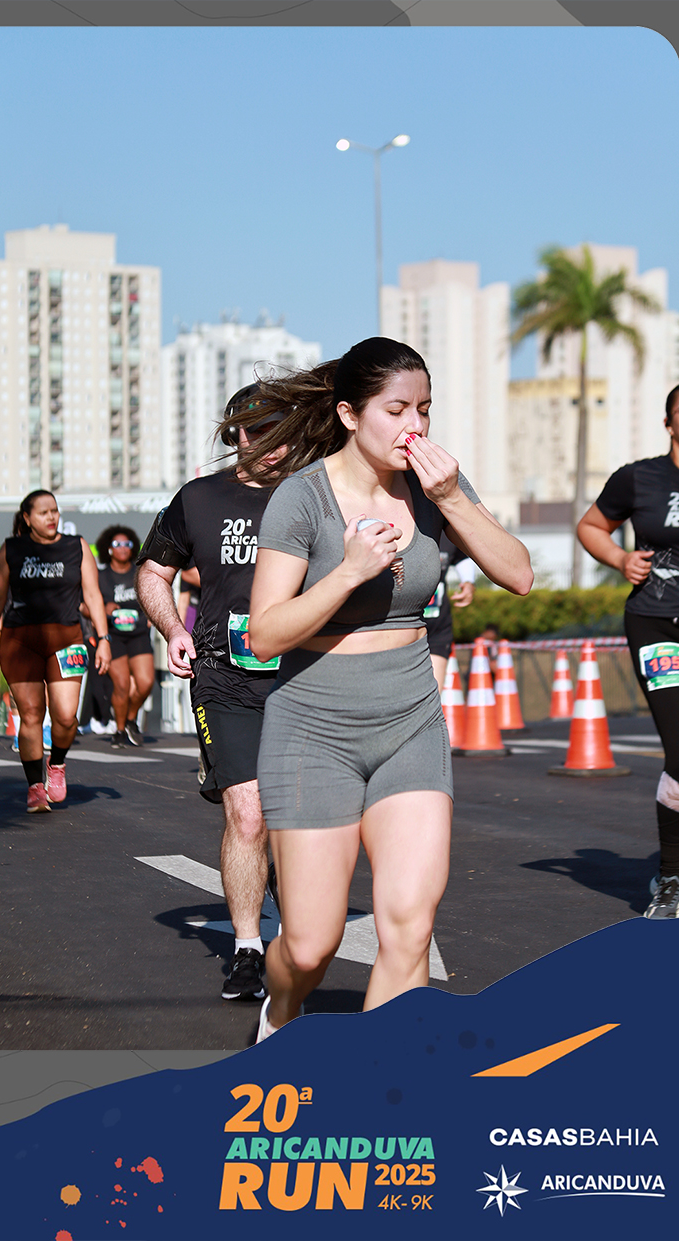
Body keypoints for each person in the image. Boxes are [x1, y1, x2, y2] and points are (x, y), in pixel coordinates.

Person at [238, 337, 532, 1039]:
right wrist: (348, 571)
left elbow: (518, 574)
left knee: (408, 925)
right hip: (313, 728)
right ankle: (280, 1008)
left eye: (424, 409)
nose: (415, 427)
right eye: (396, 410)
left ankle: (375, 1075)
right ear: (349, 414)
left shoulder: (434, 487)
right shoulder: (302, 499)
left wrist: (452, 497)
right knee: (309, 945)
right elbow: (264, 635)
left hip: (409, 722)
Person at [135, 383, 290, 1003]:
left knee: (293, 820)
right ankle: (248, 949)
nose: (271, 445)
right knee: (247, 815)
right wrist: (174, 629)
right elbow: (154, 571)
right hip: (226, 676)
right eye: (257, 432)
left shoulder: (315, 491)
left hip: (306, 677)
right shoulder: (199, 498)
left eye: (280, 431)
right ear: (235, 436)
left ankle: (287, 900)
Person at [577, 384, 679, 919]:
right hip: (657, 622)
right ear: (669, 422)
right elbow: (591, 526)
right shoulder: (640, 478)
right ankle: (673, 875)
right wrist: (620, 560)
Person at [0, 490, 111, 813]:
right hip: (20, 641)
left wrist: (104, 638)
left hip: (67, 640)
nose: (52, 517)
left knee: (65, 716)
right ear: (27, 518)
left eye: (55, 511)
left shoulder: (77, 546)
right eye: (43, 512)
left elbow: (93, 595)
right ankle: (35, 787)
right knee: (32, 713)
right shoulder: (11, 549)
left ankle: (57, 763)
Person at [90, 525, 154, 749]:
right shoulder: (101, 576)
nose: (123, 548)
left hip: (138, 634)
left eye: (127, 544)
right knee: (122, 685)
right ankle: (118, 730)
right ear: (108, 549)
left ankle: (130, 719)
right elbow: (86, 605)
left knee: (145, 683)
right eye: (118, 544)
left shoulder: (140, 572)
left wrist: (152, 614)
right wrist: (103, 608)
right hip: (113, 636)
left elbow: (154, 596)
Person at [424, 532, 477, 691]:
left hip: (436, 629)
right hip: (397, 629)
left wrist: (468, 582)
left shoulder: (444, 529)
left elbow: (460, 556)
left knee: (432, 694)